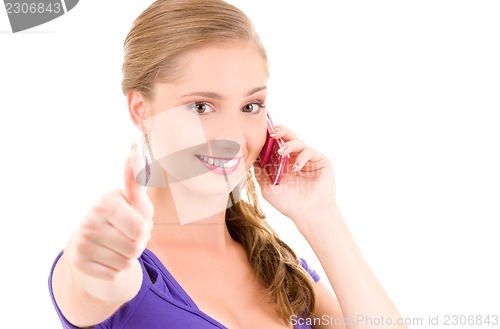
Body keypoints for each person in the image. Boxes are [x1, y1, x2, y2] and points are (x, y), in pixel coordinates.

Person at [49, 0, 407, 328]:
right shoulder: (123, 266)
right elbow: (92, 283)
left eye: (251, 106)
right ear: (140, 109)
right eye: (202, 106)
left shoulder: (279, 267)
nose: (233, 137)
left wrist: (321, 215)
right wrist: (93, 263)